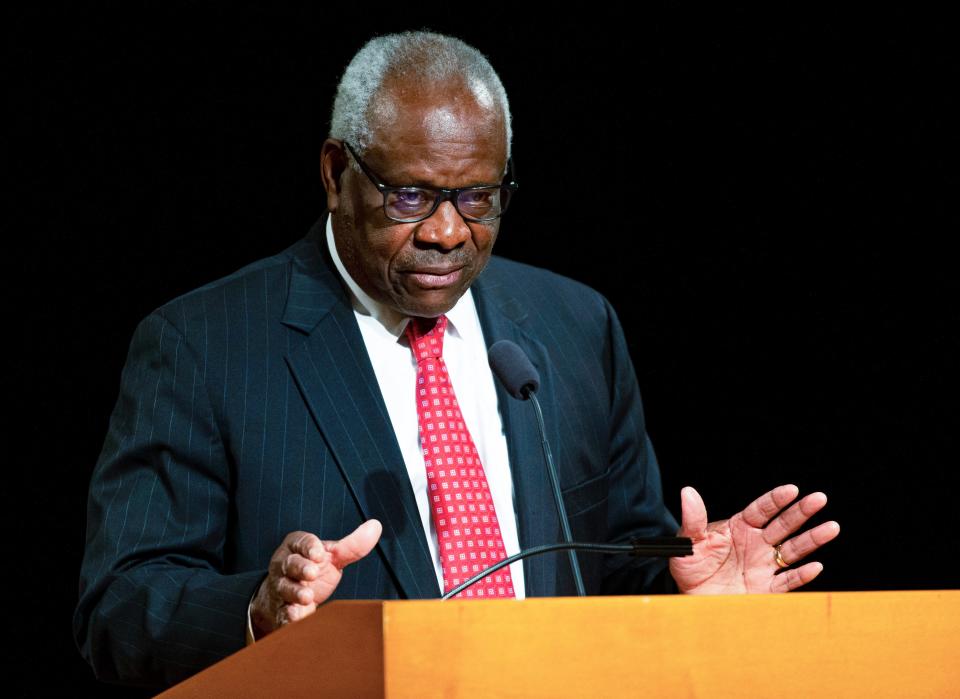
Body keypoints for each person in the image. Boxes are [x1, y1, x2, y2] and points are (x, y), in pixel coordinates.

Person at [74, 31, 839, 689]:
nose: (448, 232)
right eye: (411, 196)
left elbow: (603, 569)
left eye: (479, 198)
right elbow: (120, 605)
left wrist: (687, 599)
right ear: (336, 173)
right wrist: (257, 610)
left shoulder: (574, 327)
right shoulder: (206, 344)